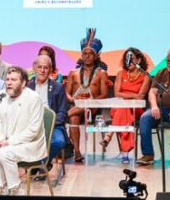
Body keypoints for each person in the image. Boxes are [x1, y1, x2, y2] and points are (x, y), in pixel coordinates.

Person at [0, 67, 46, 195]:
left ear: (23, 83)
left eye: (13, 80)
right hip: (7, 142)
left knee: (4, 153)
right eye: (7, 79)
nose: (9, 83)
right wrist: (0, 140)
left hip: (30, 144)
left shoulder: (33, 98)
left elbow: (33, 130)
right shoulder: (2, 96)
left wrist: (9, 142)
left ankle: (16, 190)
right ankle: (3, 188)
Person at [137, 47, 170, 167]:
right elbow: (152, 92)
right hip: (160, 108)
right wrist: (154, 106)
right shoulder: (161, 72)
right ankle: (148, 155)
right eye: (168, 61)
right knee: (145, 118)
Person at [65, 28, 108, 162]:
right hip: (76, 106)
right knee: (74, 118)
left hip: (93, 108)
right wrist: (73, 100)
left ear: (96, 56)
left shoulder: (101, 73)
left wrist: (90, 101)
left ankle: (61, 118)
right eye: (85, 53)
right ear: (81, 55)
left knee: (77, 111)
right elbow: (67, 93)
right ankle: (77, 152)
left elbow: (104, 95)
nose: (87, 56)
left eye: (91, 54)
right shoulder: (73, 73)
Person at [101, 48, 150, 163]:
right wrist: (133, 95)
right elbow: (117, 94)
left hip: (136, 109)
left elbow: (140, 97)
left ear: (138, 60)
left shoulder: (146, 76)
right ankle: (125, 152)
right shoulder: (120, 74)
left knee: (124, 110)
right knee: (123, 110)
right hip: (119, 107)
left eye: (131, 58)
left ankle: (110, 135)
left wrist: (127, 97)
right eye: (126, 59)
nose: (129, 61)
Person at [27, 54, 68, 168]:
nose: (42, 70)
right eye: (39, 67)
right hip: (31, 125)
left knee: (59, 141)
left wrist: (50, 123)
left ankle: (41, 164)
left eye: (45, 67)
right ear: (34, 67)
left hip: (53, 126)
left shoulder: (58, 87)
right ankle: (39, 165)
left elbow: (62, 112)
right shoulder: (26, 87)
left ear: (50, 69)